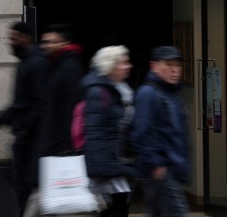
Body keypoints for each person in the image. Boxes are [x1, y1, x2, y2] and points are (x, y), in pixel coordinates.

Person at [0, 22, 46, 215]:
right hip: (28, 137)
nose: (10, 43)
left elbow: (35, 103)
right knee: (24, 186)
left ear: (25, 38)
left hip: (31, 139)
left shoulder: (34, 63)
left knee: (26, 187)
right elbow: (20, 103)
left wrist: (24, 128)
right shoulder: (28, 62)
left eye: (13, 38)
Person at [23, 24, 84, 217]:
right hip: (51, 147)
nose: (45, 46)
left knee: (45, 200)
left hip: (56, 149)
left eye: (50, 42)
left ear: (64, 42)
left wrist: (62, 148)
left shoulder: (67, 69)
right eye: (44, 41)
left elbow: (66, 113)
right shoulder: (55, 65)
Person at [131, 46, 190, 217]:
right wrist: (156, 163)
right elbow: (141, 132)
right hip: (161, 170)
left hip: (170, 169)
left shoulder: (172, 93)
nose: (174, 70)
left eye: (178, 65)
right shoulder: (149, 92)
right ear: (154, 66)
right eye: (168, 64)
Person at [80, 46, 137, 217]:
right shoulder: (99, 91)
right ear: (111, 65)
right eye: (123, 63)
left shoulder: (121, 89)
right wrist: (105, 167)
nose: (129, 66)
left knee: (116, 206)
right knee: (113, 207)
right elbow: (94, 131)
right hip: (106, 165)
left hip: (116, 161)